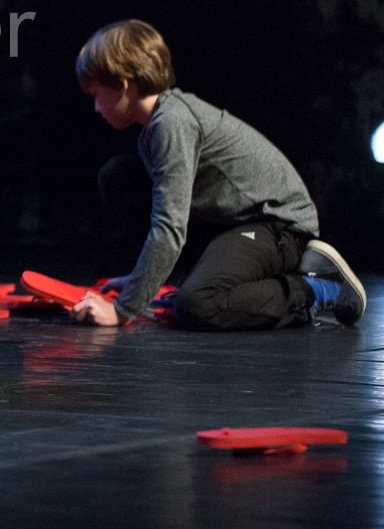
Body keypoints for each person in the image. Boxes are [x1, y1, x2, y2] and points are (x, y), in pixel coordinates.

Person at [70, 19, 366, 330]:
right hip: (231, 223)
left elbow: (170, 225)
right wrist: (138, 281)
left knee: (198, 304)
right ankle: (198, 276)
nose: (96, 108)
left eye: (96, 94)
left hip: (279, 228)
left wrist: (123, 308)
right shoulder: (156, 125)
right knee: (119, 177)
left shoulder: (172, 122)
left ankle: (318, 288)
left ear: (123, 84)